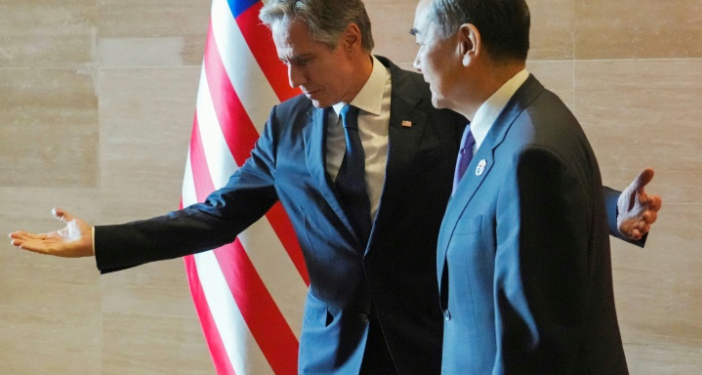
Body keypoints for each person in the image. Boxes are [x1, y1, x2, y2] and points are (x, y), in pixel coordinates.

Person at [9, 0, 660, 374]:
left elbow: (515, 172)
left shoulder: (434, 99)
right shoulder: (287, 124)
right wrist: (101, 242)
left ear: (350, 39)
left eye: (303, 61)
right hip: (331, 355)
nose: (292, 80)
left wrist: (609, 209)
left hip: (422, 348)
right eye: (283, 63)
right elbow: (217, 216)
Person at [410, 0, 659, 373]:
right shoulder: (513, 126)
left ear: (467, 44)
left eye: (420, 39)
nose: (415, 61)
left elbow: (534, 350)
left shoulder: (531, 153)